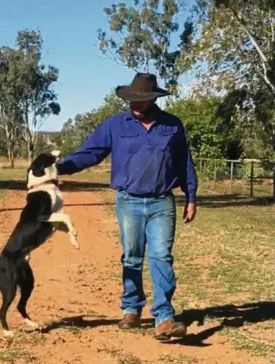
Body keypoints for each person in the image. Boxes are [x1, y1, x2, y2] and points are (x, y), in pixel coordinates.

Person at [57, 73, 198, 341]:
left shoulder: (172, 125)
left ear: (153, 99)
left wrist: (191, 195)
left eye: (141, 100)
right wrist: (59, 168)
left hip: (162, 202)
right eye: (132, 100)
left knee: (161, 256)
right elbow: (91, 152)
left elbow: (184, 161)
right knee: (132, 256)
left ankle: (164, 318)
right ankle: (131, 308)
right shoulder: (115, 125)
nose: (135, 105)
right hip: (128, 201)